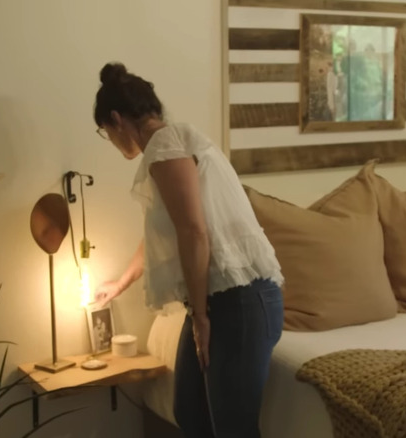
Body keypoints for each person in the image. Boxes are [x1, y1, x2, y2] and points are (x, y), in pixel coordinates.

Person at [91, 62, 284, 438]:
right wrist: (120, 284)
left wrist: (199, 318)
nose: (111, 141)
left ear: (116, 120)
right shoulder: (173, 143)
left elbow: (194, 233)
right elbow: (172, 232)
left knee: (233, 428)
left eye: (105, 133)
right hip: (225, 300)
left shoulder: (166, 145)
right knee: (190, 412)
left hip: (241, 301)